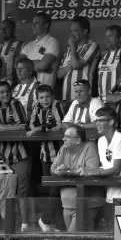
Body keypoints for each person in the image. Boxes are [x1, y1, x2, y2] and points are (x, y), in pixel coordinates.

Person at [85, 107, 121, 229]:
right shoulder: (100, 141)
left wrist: (91, 172)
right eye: (96, 121)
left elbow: (115, 169)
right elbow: (105, 166)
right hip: (111, 191)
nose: (97, 124)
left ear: (111, 122)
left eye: (100, 120)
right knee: (113, 230)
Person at [26, 84, 64, 233]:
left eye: (47, 96)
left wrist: (39, 129)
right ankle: (52, 223)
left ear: (53, 96)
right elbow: (31, 125)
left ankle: (45, 220)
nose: (45, 100)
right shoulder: (36, 107)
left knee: (56, 188)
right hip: (44, 154)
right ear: (37, 98)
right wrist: (41, 128)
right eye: (41, 97)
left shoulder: (57, 105)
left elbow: (59, 125)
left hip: (60, 154)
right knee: (52, 190)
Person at [51, 125, 102, 232]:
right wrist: (59, 171)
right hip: (67, 205)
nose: (63, 139)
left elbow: (91, 170)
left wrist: (68, 171)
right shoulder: (64, 148)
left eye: (67, 137)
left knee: (72, 236)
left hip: (85, 205)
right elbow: (53, 168)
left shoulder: (89, 147)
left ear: (78, 140)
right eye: (64, 136)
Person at [0, 81, 30, 232]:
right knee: (6, 191)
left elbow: (23, 126)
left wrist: (3, 128)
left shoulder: (16, 104)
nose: (5, 94)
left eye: (7, 91)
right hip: (3, 156)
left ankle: (24, 225)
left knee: (22, 191)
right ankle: (8, 223)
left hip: (20, 154)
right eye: (1, 92)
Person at [58, 16, 100, 109]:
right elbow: (59, 74)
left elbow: (76, 65)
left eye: (75, 31)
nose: (72, 34)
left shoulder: (92, 45)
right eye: (71, 31)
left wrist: (73, 47)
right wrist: (70, 65)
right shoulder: (69, 49)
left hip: (83, 98)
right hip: (66, 97)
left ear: (85, 31)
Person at [19, 12, 60, 87]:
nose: (33, 26)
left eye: (37, 23)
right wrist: (38, 64)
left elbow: (43, 65)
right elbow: (18, 64)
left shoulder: (53, 42)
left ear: (46, 25)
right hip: (28, 90)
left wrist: (26, 65)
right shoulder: (29, 45)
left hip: (45, 91)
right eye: (33, 23)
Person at [97, 25, 121, 102]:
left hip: (117, 100)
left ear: (120, 38)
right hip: (101, 100)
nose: (106, 39)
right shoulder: (103, 55)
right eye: (106, 36)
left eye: (110, 36)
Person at [0, 18, 24, 85]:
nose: (3, 31)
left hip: (15, 87)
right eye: (1, 28)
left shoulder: (22, 45)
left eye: (6, 28)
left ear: (14, 30)